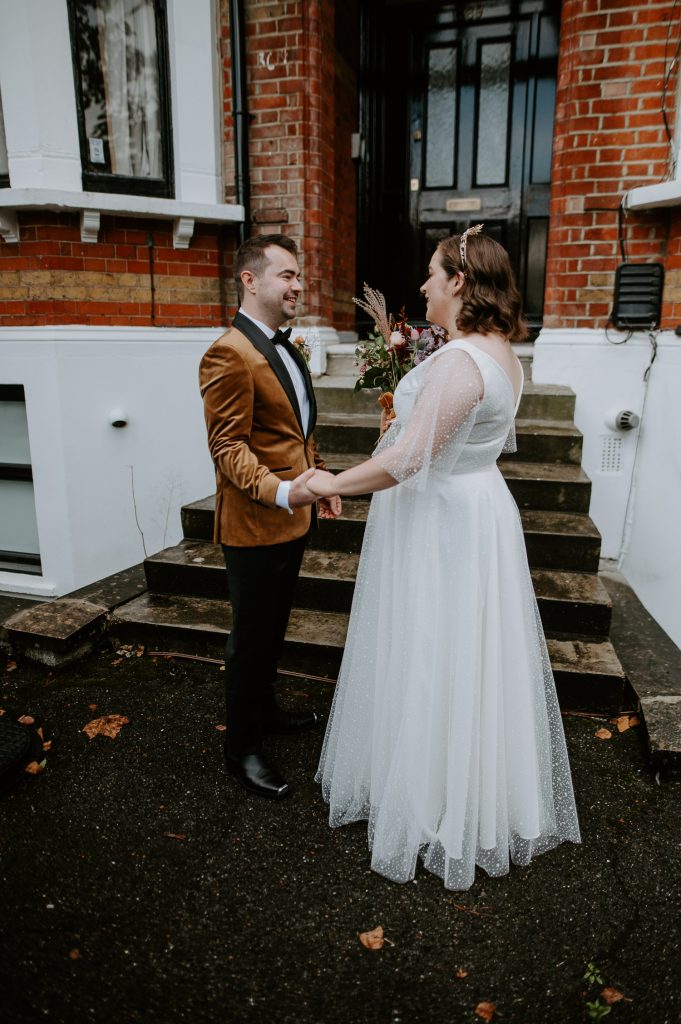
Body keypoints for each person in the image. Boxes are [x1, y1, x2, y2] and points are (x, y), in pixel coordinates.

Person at [307, 227, 581, 890]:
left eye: (431, 274)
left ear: (459, 282)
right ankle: (455, 785)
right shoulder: (501, 355)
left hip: (442, 521)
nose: (423, 286)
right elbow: (434, 436)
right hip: (473, 505)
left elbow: (407, 460)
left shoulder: (462, 362)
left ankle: (431, 806)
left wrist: (330, 482)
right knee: (467, 653)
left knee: (433, 648)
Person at [199, 234, 341, 800]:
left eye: (299, 275)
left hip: (293, 518)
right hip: (256, 524)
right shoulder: (227, 351)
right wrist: (283, 493)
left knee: (274, 632)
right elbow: (228, 449)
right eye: (286, 275)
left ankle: (267, 711)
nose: (298, 285)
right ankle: (241, 748)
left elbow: (292, 434)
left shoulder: (286, 348)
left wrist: (320, 479)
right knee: (249, 641)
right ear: (250, 280)